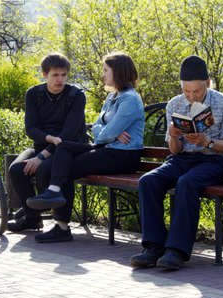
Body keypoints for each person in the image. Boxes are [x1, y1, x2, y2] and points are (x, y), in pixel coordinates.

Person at [130, 55, 223, 270]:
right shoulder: (175, 104)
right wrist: (173, 136)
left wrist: (207, 142)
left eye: (196, 91)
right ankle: (153, 247)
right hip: (182, 159)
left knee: (187, 183)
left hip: (212, 161)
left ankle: (177, 251)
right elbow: (174, 150)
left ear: (207, 84)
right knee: (148, 181)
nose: (190, 97)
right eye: (186, 91)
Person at [26, 52, 145, 243]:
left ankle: (62, 226)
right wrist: (111, 131)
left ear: (119, 72)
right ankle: (55, 193)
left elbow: (105, 132)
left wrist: (110, 131)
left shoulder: (130, 99)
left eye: (106, 70)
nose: (103, 75)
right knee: (64, 147)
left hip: (124, 156)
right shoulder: (112, 97)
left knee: (65, 166)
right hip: (107, 149)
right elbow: (97, 128)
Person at [8, 52, 86, 232]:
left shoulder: (76, 96)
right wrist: (47, 140)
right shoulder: (33, 94)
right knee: (17, 169)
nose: (60, 80)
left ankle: (53, 218)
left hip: (67, 149)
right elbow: (31, 128)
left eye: (64, 75)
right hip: (43, 145)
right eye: (55, 75)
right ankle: (32, 218)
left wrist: (41, 157)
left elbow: (68, 134)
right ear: (45, 74)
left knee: (43, 169)